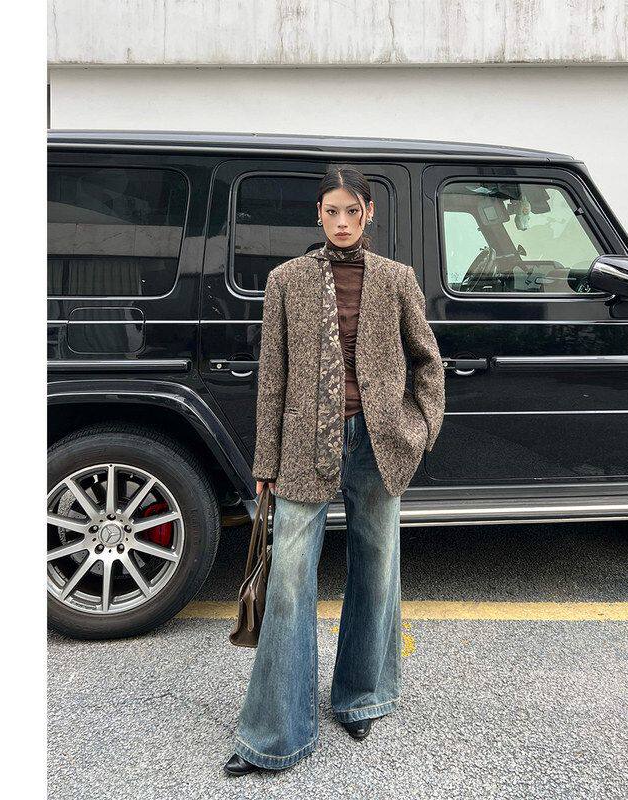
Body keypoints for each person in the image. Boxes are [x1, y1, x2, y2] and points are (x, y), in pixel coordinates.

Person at [224, 166, 445, 775]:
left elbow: (427, 362)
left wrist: (418, 427)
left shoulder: (397, 279)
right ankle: (275, 734)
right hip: (302, 444)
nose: (341, 222)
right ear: (318, 215)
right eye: (331, 211)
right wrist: (265, 460)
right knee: (290, 580)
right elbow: (272, 378)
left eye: (351, 211)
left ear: (368, 213)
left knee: (377, 569)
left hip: (379, 443)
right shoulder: (287, 280)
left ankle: (362, 697)